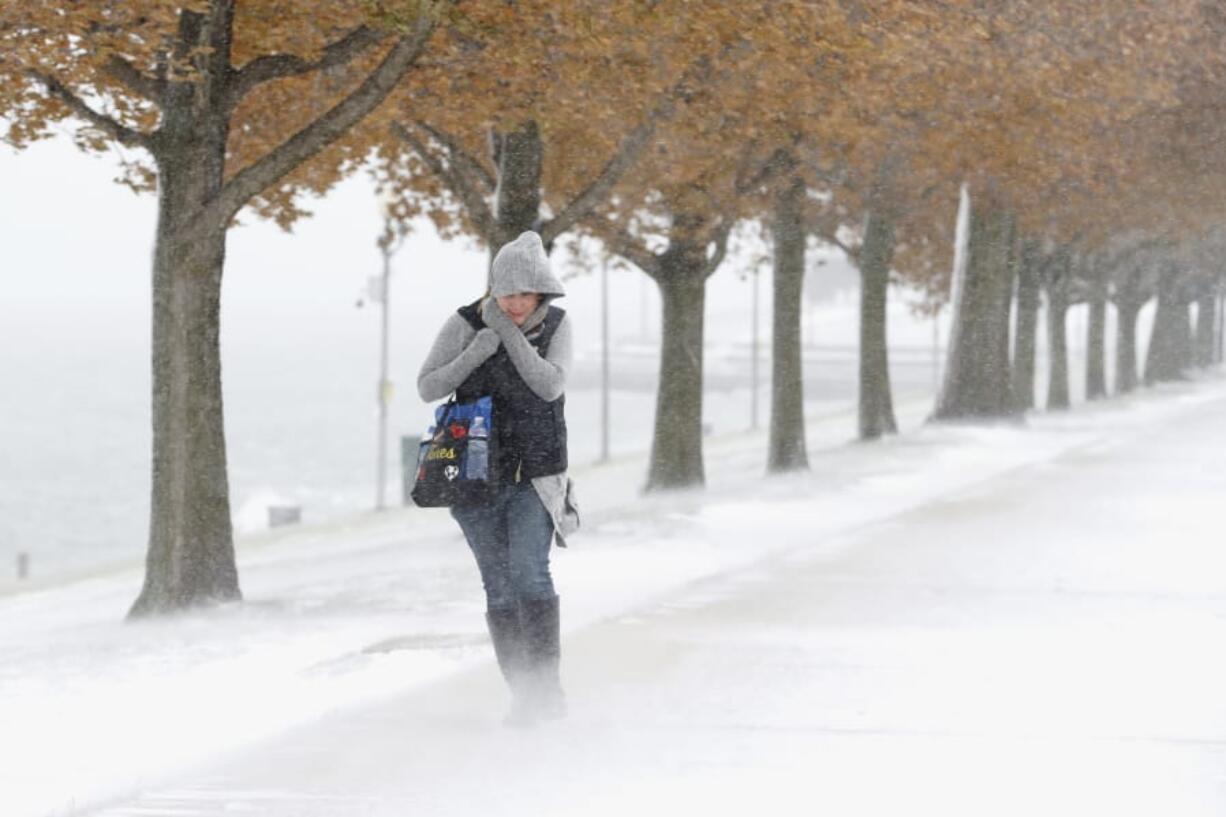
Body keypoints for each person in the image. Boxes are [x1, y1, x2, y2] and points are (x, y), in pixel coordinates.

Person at [417, 230, 578, 726]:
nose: (514, 304)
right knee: (498, 587)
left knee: (530, 573)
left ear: (541, 294)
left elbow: (549, 386)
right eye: (506, 294)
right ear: (493, 290)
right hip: (472, 477)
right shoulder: (465, 323)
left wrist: (506, 337)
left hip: (535, 475)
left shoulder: (556, 325)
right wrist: (476, 349)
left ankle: (547, 689)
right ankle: (524, 694)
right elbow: (429, 386)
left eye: (525, 295)